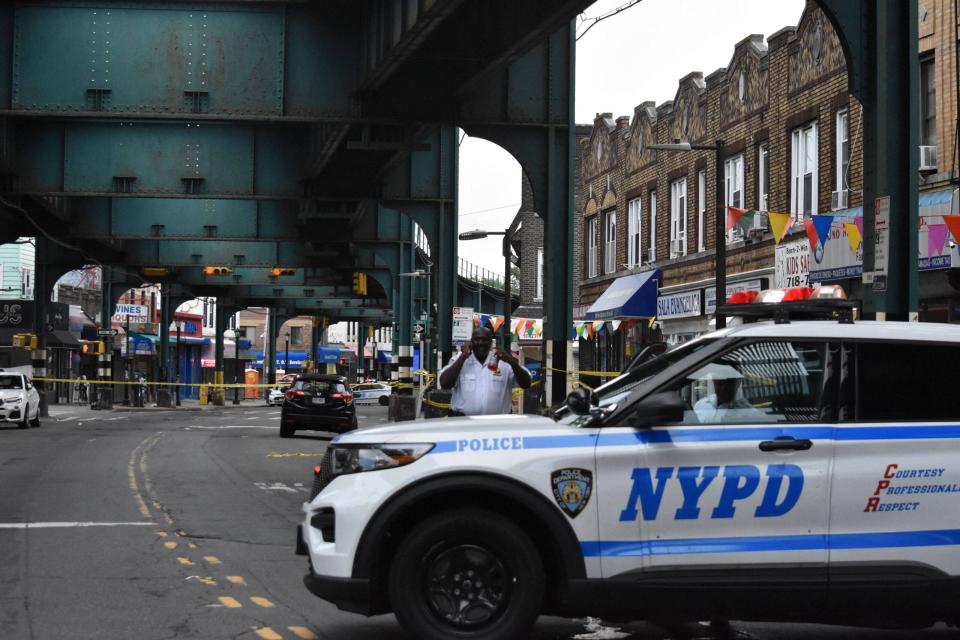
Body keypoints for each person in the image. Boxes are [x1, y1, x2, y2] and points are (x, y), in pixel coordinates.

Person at [438, 327, 532, 416]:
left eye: (484, 339)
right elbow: (444, 384)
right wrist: (463, 357)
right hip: (464, 423)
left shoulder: (503, 362)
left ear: (491, 342)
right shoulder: (459, 360)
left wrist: (511, 361)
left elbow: (526, 383)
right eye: (477, 339)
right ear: (471, 342)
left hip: (496, 425)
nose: (480, 342)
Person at [692, 363, 761, 423]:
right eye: (719, 383)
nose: (723, 388)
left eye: (729, 383)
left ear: (738, 383)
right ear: (713, 382)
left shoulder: (749, 412)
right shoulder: (701, 406)